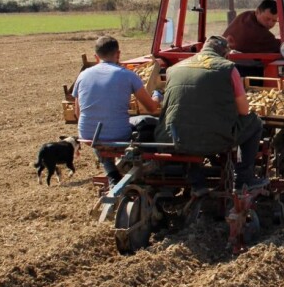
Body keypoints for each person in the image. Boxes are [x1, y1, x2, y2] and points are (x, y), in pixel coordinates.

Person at [154, 35, 268, 195]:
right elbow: (243, 111)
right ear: (226, 54)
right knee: (254, 122)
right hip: (215, 139)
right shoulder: (228, 68)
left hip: (172, 137)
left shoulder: (175, 68)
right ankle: (245, 178)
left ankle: (197, 182)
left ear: (202, 49)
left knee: (187, 122)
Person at [72, 36, 160, 186]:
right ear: (118, 54)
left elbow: (77, 112)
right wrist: (157, 94)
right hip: (118, 135)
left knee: (98, 137)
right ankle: (147, 167)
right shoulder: (128, 75)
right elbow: (151, 108)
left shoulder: (83, 75)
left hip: (87, 134)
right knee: (150, 122)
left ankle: (112, 173)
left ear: (96, 56)